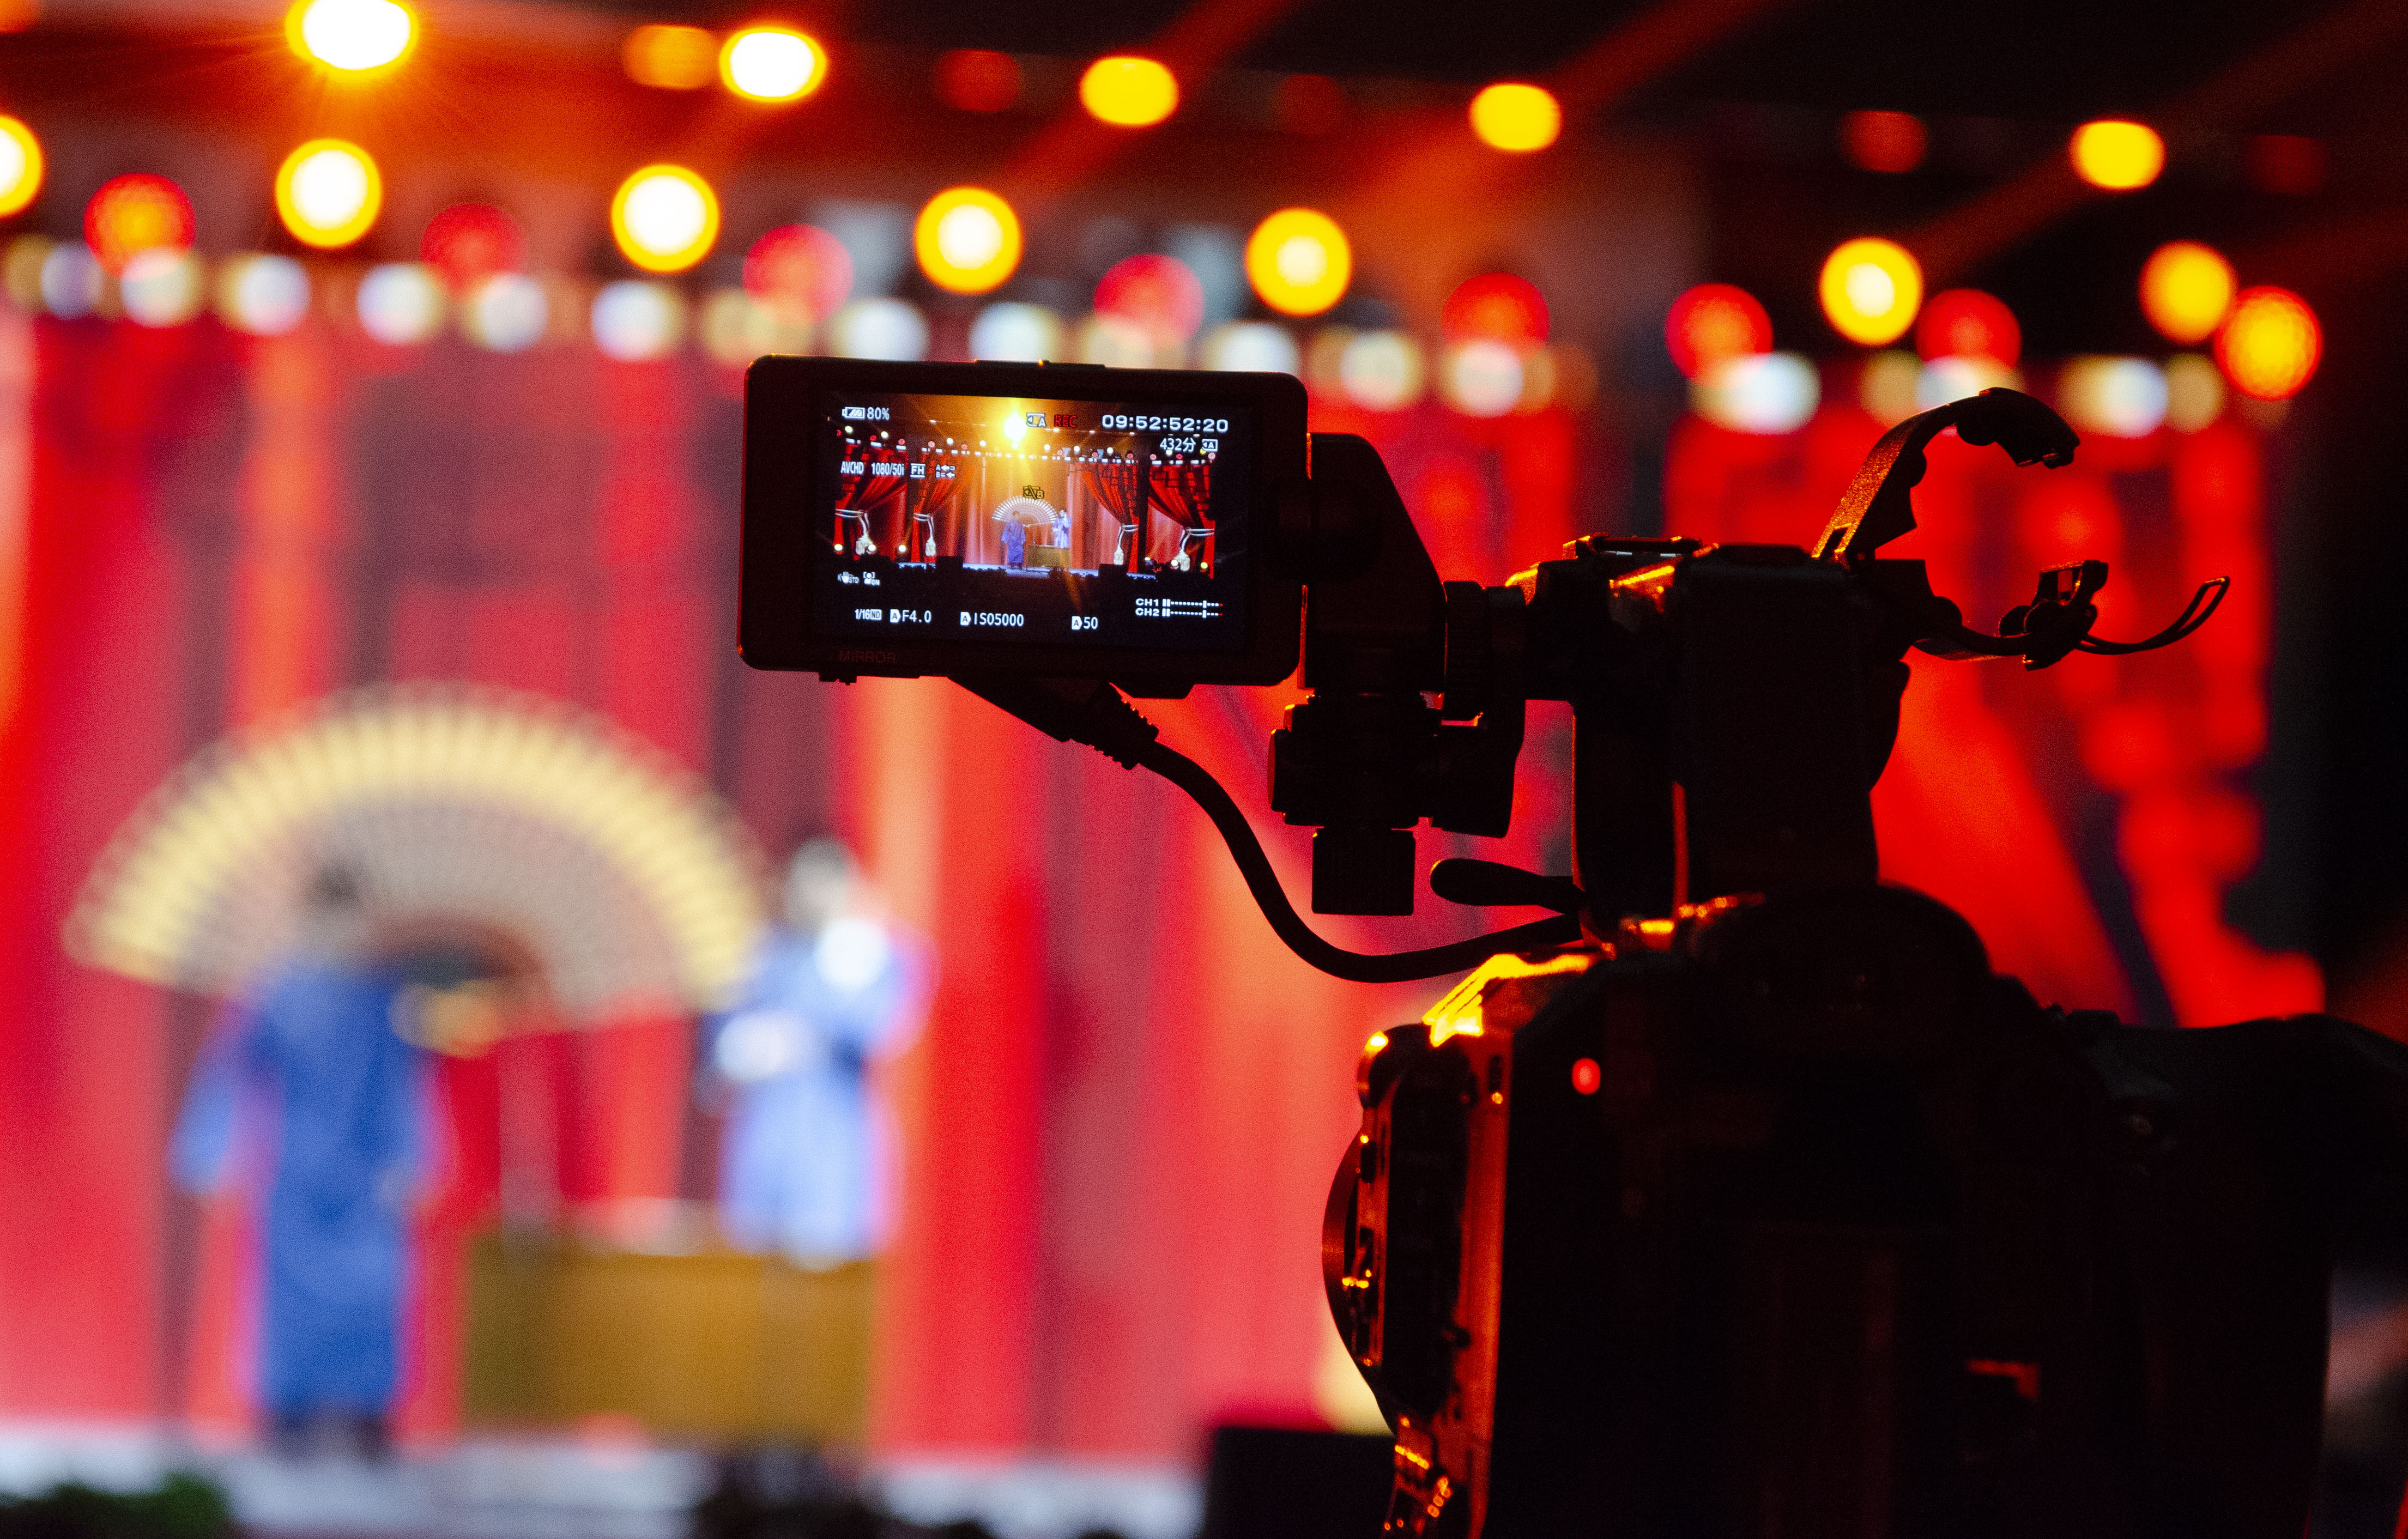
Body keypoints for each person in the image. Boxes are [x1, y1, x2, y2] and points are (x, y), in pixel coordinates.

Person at [170, 864, 430, 1457]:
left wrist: (408, 1157)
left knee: (374, 1290)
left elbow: (402, 1086)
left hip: (366, 1174)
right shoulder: (274, 993)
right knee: (287, 1296)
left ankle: (369, 1416)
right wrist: (215, 1149)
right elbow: (232, 1071)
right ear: (309, 919)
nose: (346, 932)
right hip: (293, 1169)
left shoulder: (384, 998)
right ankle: (286, 1414)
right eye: (333, 918)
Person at [710, 840, 927, 1268]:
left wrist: (848, 957)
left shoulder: (876, 955)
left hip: (835, 1134)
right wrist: (748, 1048)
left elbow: (880, 1027)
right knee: (753, 1262)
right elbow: (721, 1047)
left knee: (830, 1267)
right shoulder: (767, 956)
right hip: (768, 1126)